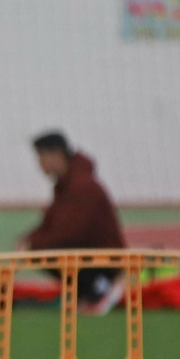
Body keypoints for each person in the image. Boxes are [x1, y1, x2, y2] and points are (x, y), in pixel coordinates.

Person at [20, 131, 126, 312]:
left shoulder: (81, 186)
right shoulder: (65, 185)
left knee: (47, 251)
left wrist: (33, 243)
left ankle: (101, 288)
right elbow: (51, 222)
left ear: (55, 155)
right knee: (41, 249)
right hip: (91, 255)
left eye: (40, 157)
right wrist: (29, 239)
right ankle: (86, 292)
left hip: (105, 261)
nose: (39, 164)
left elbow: (71, 233)